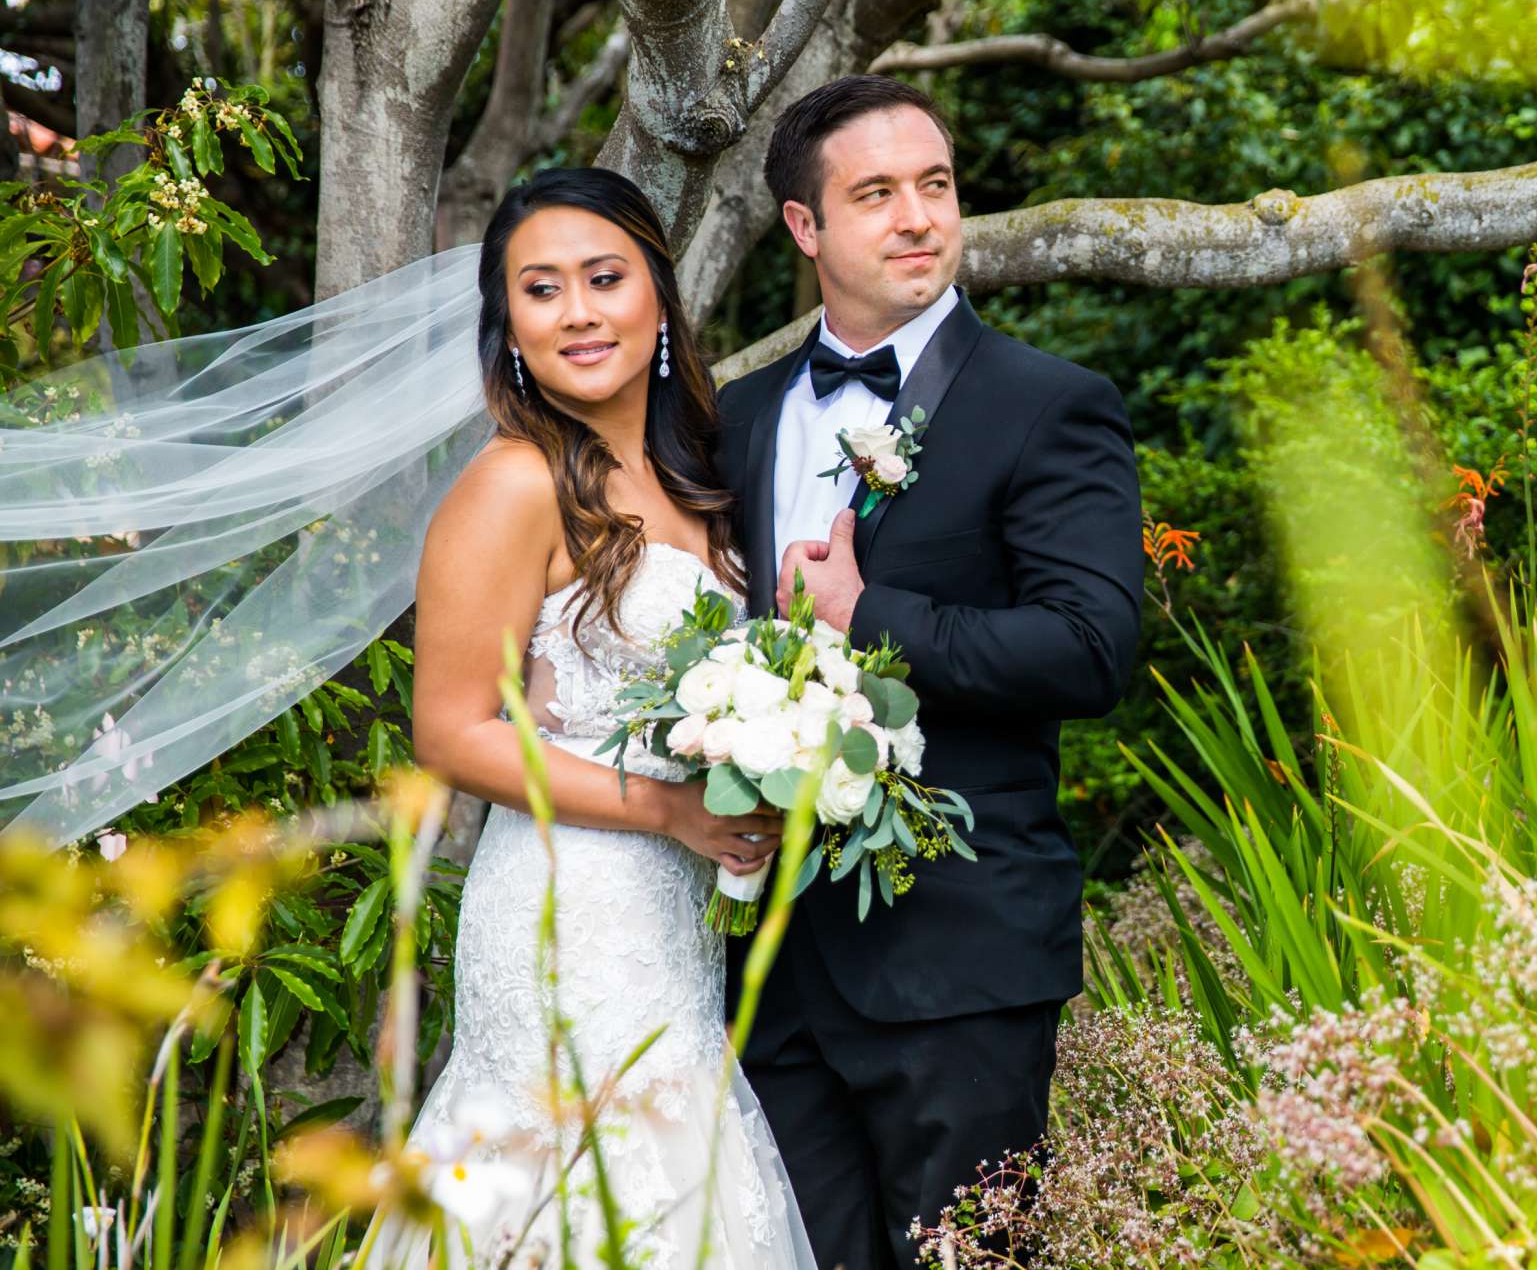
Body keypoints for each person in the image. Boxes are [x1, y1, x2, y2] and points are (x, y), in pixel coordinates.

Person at [717, 75, 1145, 1270]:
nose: (918, 217)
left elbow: (1093, 646)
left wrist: (872, 617)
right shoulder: (737, 419)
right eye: (876, 194)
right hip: (765, 967)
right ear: (804, 229)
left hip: (957, 961)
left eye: (936, 186)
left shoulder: (1047, 406)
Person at [384, 168, 816, 1267]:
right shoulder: (513, 485)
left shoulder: (698, 474)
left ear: (659, 299)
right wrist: (668, 809)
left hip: (673, 931)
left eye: (604, 278)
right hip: (563, 908)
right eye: (541, 289)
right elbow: (450, 731)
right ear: (510, 326)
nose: (578, 312)